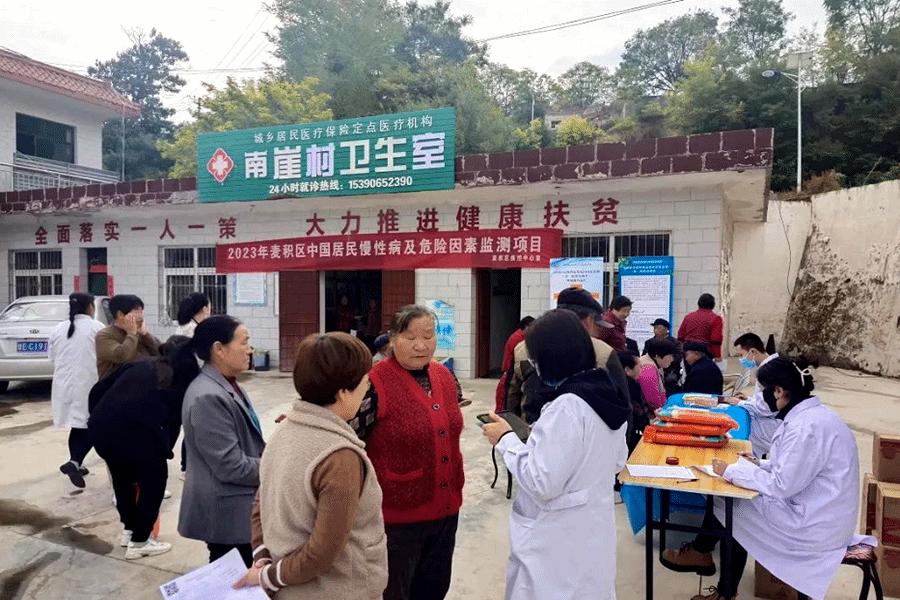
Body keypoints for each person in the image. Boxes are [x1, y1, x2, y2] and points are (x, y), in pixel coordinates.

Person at [660, 358, 873, 600]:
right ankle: (708, 564)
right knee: (732, 503)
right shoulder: (815, 417)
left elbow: (782, 485)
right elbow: (798, 467)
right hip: (821, 514)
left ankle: (709, 565)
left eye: (763, 390)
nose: (761, 396)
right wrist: (758, 464)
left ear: (779, 391)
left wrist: (731, 471)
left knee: (729, 504)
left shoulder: (804, 428)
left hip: (813, 528)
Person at [482, 309, 629, 600]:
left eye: (536, 359)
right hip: (591, 531)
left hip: (557, 545)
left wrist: (506, 440)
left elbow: (541, 482)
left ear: (552, 357)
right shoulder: (605, 393)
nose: (535, 366)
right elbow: (616, 460)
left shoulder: (567, 408)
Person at [232, 332, 388, 598]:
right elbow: (323, 552)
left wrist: (262, 557)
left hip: (289, 587)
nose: (367, 389)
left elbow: (260, 503)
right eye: (365, 381)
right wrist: (267, 576)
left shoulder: (283, 431)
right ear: (343, 393)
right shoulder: (340, 457)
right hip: (335, 591)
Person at [352, 305, 464, 600]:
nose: (421, 345)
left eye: (428, 336)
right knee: (394, 593)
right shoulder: (373, 382)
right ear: (392, 339)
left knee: (434, 589)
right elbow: (347, 434)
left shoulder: (445, 376)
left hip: (446, 511)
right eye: (410, 337)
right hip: (397, 520)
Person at [88, 337, 199, 559]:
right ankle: (140, 542)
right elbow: (174, 423)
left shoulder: (139, 364)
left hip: (101, 429)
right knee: (154, 483)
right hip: (133, 432)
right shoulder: (178, 379)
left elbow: (98, 389)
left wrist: (97, 417)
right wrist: (164, 452)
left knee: (123, 480)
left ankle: (129, 531)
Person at [178, 316, 265, 567]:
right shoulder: (207, 396)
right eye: (244, 342)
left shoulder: (229, 384)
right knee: (232, 578)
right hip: (228, 514)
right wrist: (276, 467)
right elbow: (230, 465)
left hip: (240, 506)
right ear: (219, 349)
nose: (250, 349)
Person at [504, 287, 630, 424]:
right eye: (598, 326)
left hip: (529, 432)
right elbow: (623, 408)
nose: (599, 332)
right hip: (586, 434)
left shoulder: (523, 348)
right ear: (588, 321)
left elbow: (510, 398)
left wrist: (512, 433)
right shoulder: (604, 352)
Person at [48, 293, 105, 488]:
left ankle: (75, 463)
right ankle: (75, 462)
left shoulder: (58, 329)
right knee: (90, 424)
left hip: (64, 385)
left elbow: (51, 357)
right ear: (90, 307)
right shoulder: (97, 328)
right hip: (89, 384)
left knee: (78, 424)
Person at [721, 333, 779, 456]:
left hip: (771, 424)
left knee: (737, 433)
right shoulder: (769, 366)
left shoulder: (769, 371)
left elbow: (766, 408)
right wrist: (748, 399)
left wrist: (740, 403)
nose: (740, 359)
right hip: (771, 419)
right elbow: (766, 399)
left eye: (741, 355)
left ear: (752, 352)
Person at [96, 295, 160, 380]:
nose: (140, 318)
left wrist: (145, 335)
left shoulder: (140, 334)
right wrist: (132, 334)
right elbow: (122, 356)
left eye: (141, 313)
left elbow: (160, 352)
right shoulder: (105, 335)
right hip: (117, 386)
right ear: (120, 315)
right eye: (136, 313)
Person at [494, 316, 535, 413]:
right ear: (526, 327)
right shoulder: (520, 340)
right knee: (504, 409)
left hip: (510, 374)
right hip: (510, 374)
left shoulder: (518, 337)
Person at [618, 351, 656, 454]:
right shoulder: (631, 388)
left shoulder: (615, 384)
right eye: (639, 367)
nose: (641, 371)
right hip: (630, 436)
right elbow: (638, 414)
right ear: (627, 370)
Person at [677, 294, 724, 359]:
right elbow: (716, 339)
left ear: (699, 303)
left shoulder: (688, 317)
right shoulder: (716, 318)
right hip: (704, 350)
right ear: (713, 304)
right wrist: (717, 355)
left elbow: (680, 335)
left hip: (688, 349)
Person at [643, 318, 682, 395]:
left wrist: (667, 363)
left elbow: (678, 357)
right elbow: (645, 355)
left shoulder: (674, 342)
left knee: (671, 379)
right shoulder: (649, 342)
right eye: (655, 328)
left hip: (670, 369)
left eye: (659, 328)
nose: (656, 330)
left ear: (666, 329)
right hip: (654, 368)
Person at [637, 338, 678, 410]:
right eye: (669, 356)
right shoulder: (648, 371)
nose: (672, 360)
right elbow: (654, 403)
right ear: (657, 356)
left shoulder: (654, 365)